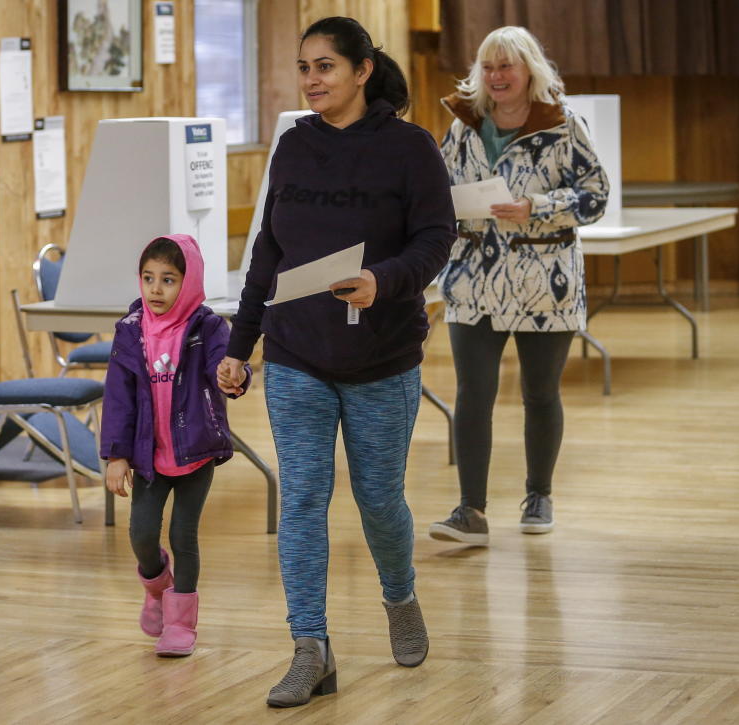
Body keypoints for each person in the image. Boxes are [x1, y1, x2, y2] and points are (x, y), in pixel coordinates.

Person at [217, 16, 456, 708]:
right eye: (304, 68)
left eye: (325, 66)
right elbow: (269, 251)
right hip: (296, 355)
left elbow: (438, 239)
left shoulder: (411, 149)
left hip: (382, 356)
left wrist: (385, 279)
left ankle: (400, 595)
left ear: (362, 71)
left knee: (379, 499)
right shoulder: (293, 146)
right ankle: (309, 646)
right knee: (303, 499)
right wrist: (240, 346)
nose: (313, 80)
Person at [428, 26, 609, 547]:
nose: (496, 76)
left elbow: (595, 197)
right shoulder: (463, 124)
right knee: (472, 394)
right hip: (472, 280)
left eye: (507, 65)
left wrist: (538, 207)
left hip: (543, 281)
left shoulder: (563, 124)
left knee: (539, 392)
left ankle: (539, 494)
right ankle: (471, 511)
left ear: (530, 68)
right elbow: (440, 186)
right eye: (488, 66)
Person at [99, 234, 250, 657]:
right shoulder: (130, 331)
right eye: (148, 279)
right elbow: (118, 397)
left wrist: (234, 377)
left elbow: (229, 367)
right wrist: (116, 454)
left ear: (189, 281)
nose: (155, 289)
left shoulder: (208, 328)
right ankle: (157, 586)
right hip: (149, 454)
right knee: (141, 534)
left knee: (184, 536)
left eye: (168, 280)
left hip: (195, 450)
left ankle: (180, 624)